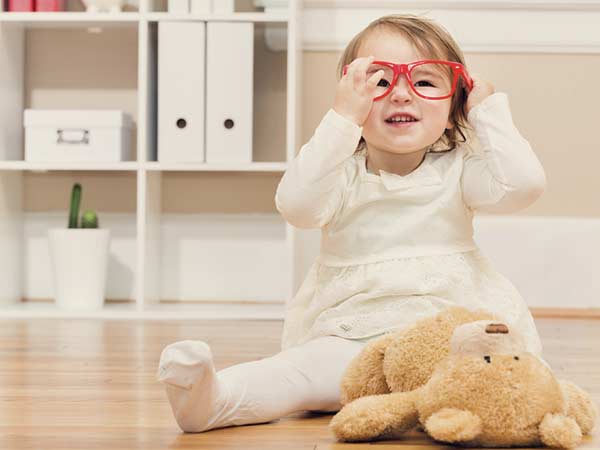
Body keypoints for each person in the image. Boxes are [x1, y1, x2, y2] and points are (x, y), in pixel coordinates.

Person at [157, 14, 546, 433]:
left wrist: (487, 111)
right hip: (355, 339)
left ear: (454, 110)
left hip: (446, 338)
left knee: (493, 372)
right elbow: (296, 206)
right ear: (353, 103)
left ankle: (435, 404)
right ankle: (214, 400)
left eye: (427, 82)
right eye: (378, 82)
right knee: (297, 374)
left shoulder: (460, 172)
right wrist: (340, 121)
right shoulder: (340, 174)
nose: (401, 94)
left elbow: (523, 186)